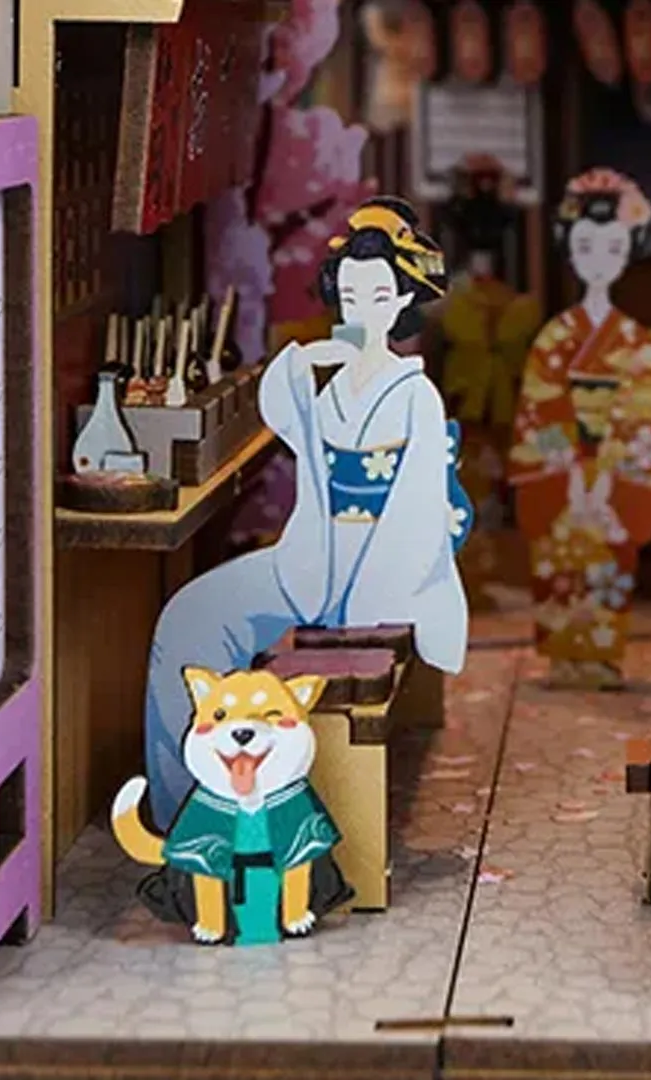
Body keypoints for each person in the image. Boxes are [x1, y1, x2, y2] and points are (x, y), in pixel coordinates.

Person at [143, 196, 471, 830]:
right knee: (188, 619)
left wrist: (356, 601)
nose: (362, 309)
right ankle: (184, 807)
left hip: (380, 571)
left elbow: (417, 517)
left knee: (245, 630)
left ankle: (237, 802)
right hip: (313, 554)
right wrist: (307, 362)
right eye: (351, 296)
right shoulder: (331, 379)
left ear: (404, 300)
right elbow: (280, 412)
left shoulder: (415, 395)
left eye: (378, 295)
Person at [507, 169, 651, 689]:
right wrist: (570, 471)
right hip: (560, 472)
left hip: (614, 473)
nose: (598, 258)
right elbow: (542, 404)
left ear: (629, 249)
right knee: (560, 561)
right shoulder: (553, 337)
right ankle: (563, 657)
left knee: (607, 562)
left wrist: (604, 477)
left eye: (611, 246)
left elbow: (642, 412)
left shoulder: (639, 340)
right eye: (585, 245)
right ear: (568, 249)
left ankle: (601, 655)